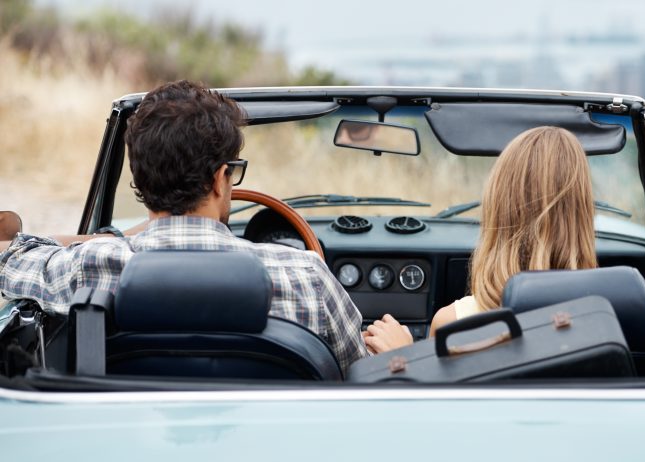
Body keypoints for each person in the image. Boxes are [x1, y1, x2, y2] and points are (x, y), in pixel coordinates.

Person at [0, 80, 367, 373]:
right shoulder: (307, 276)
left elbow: (10, 254)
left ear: (141, 180)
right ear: (221, 179)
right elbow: (358, 379)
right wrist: (394, 350)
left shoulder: (89, 265)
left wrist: (111, 239)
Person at [364, 126, 597, 353]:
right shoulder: (606, 312)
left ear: (498, 209)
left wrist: (404, 356)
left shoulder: (453, 324)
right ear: (583, 214)